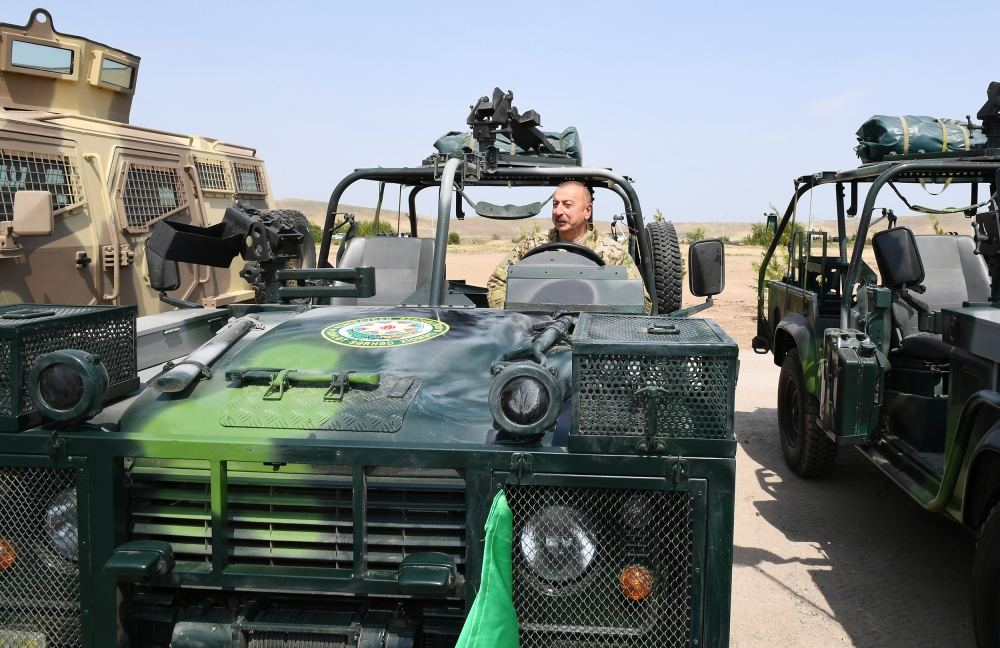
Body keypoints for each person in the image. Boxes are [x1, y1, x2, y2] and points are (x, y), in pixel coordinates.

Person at [486, 180, 651, 312]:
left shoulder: (613, 253)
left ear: (587, 211)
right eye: (555, 204)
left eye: (567, 205)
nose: (558, 211)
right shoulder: (532, 245)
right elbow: (497, 282)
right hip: (533, 331)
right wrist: (514, 316)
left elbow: (642, 302)